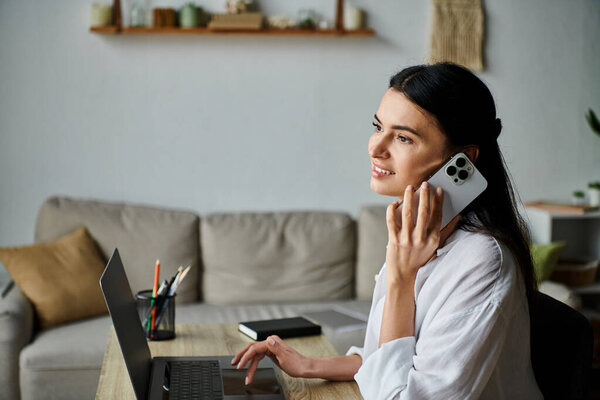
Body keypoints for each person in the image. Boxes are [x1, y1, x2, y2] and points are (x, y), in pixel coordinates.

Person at [230, 62, 543, 399]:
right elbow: (391, 358)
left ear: (462, 161)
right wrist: (307, 365)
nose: (376, 148)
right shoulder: (417, 235)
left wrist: (401, 276)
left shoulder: (482, 261)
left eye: (403, 137)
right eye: (378, 127)